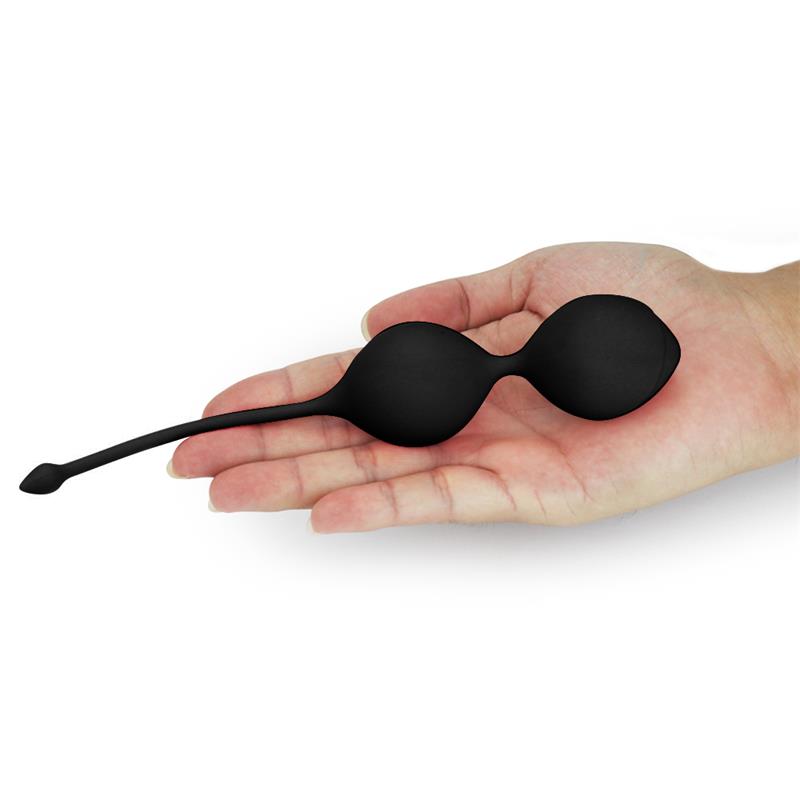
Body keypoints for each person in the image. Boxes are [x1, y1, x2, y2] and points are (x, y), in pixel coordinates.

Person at [167, 242, 799, 532]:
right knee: (310, 408)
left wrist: (773, 337)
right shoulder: (429, 372)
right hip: (383, 389)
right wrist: (769, 322)